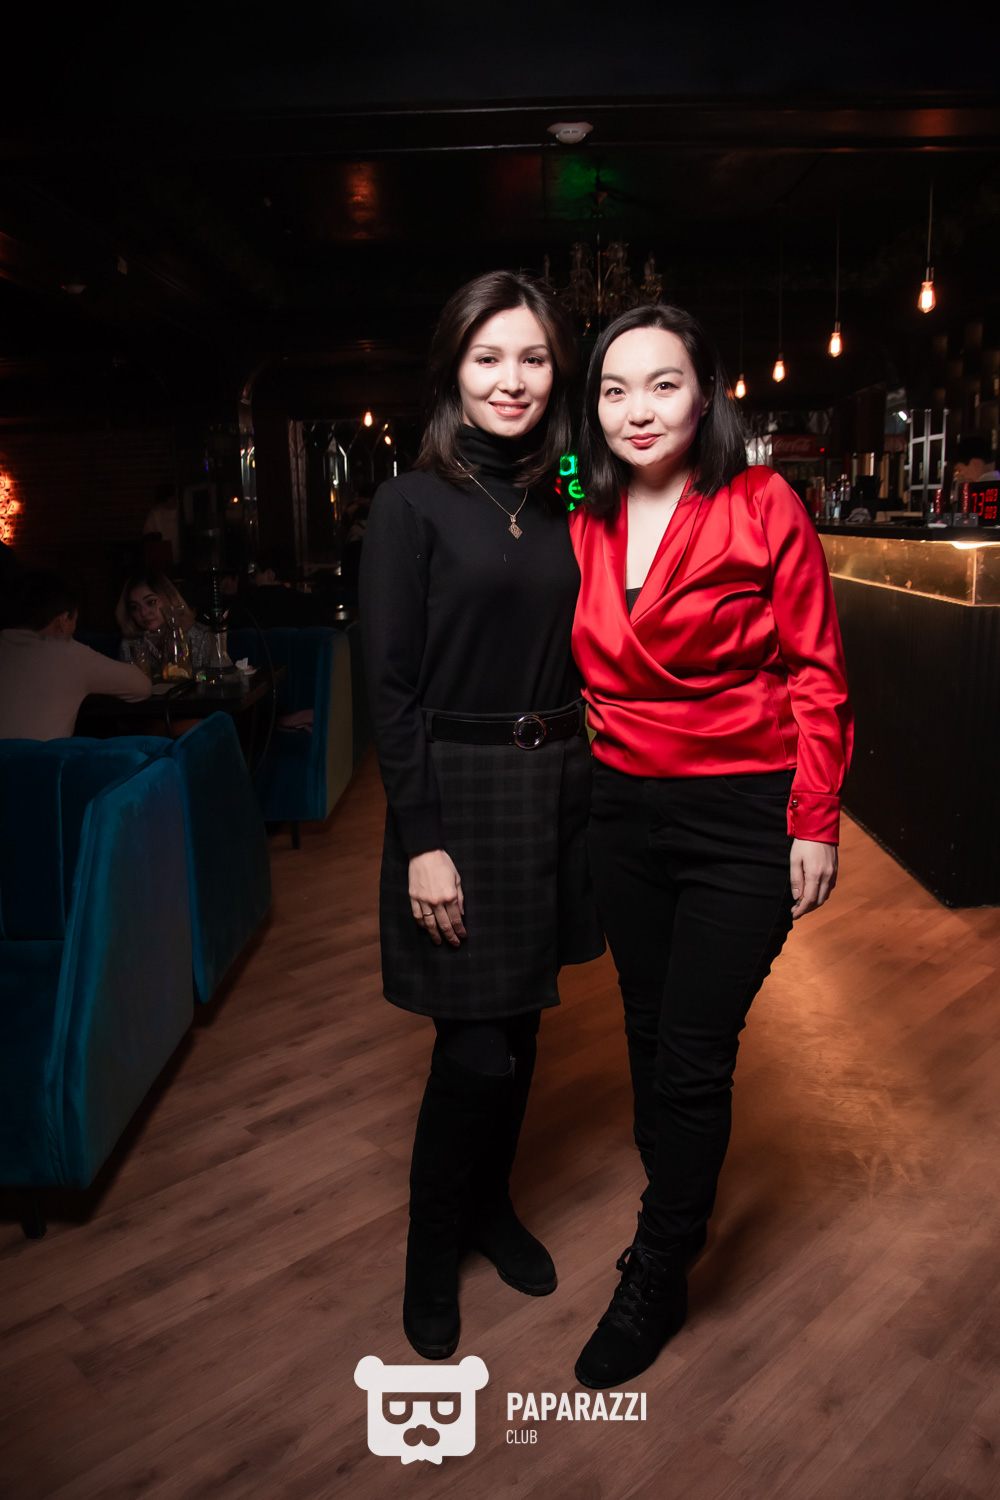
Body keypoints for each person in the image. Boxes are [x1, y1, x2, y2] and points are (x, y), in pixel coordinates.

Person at [569, 304, 853, 1389]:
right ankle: (677, 1194)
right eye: (615, 389)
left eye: (663, 383)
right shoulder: (580, 512)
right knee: (645, 1024)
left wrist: (813, 818)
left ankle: (660, 1264)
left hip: (740, 811)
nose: (638, 409)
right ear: (594, 408)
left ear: (705, 394)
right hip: (621, 810)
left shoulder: (761, 500)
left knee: (692, 1048)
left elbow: (817, 671)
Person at [359, 270, 604, 1361]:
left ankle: (492, 1207)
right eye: (488, 357)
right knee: (475, 1053)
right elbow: (389, 691)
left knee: (524, 1022)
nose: (512, 380)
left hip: (556, 785)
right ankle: (432, 1249)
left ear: (558, 373)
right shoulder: (410, 504)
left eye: (534, 358)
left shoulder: (568, 493)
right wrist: (423, 841)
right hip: (457, 795)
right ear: (452, 371)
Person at [0, 569, 151, 739]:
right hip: (38, 756)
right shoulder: (68, 653)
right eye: (75, 620)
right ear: (64, 620)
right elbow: (142, 687)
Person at [115, 570, 213, 674]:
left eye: (151, 602)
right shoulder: (129, 645)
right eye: (135, 607)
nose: (143, 613)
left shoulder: (201, 637)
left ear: (170, 599)